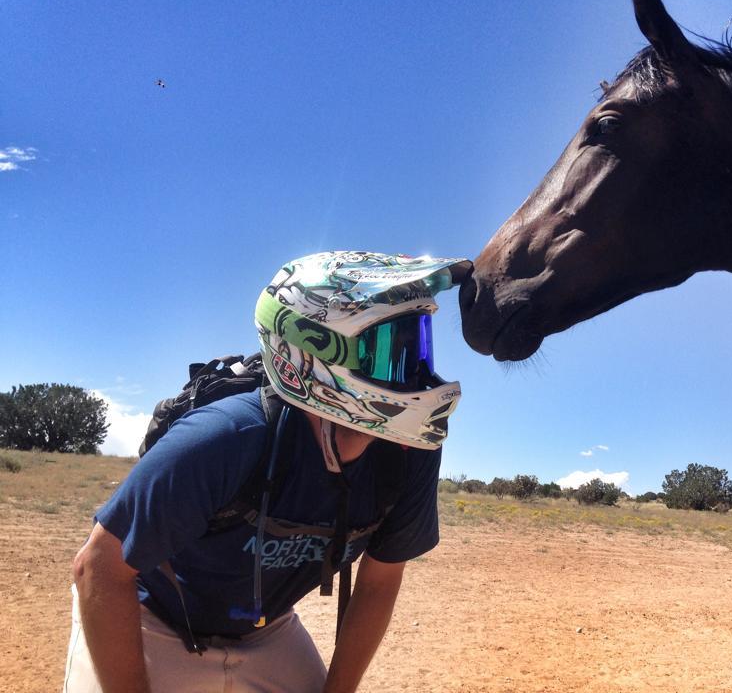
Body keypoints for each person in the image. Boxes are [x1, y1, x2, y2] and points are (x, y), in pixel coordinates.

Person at [64, 251, 470, 693]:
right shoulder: (226, 437)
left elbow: (379, 583)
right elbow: (98, 566)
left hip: (265, 629)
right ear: (313, 353)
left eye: (417, 349)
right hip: (149, 617)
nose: (414, 374)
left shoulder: (409, 453)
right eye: (390, 352)